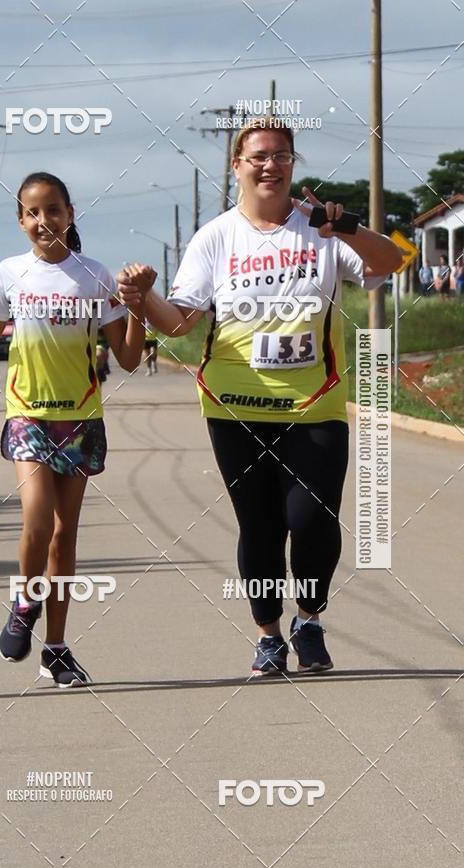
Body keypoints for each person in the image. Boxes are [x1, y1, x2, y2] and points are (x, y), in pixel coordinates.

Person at [119, 118, 401, 676]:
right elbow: (178, 325)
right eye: (258, 157)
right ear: (237, 167)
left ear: (294, 163)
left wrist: (344, 229)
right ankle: (268, 635)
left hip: (314, 403)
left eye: (281, 155)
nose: (270, 165)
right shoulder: (215, 237)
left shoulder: (322, 230)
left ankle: (311, 618)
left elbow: (389, 263)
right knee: (261, 524)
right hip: (235, 409)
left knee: (313, 517)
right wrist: (142, 295)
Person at [0, 171, 152, 687]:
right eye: (32, 212)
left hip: (81, 419)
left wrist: (137, 308)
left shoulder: (94, 276)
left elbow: (130, 358)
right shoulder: (9, 274)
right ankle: (23, 601)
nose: (43, 220)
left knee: (65, 538)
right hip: (27, 415)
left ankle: (56, 646)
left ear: (70, 214)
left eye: (53, 209)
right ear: (20, 221)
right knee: (39, 522)